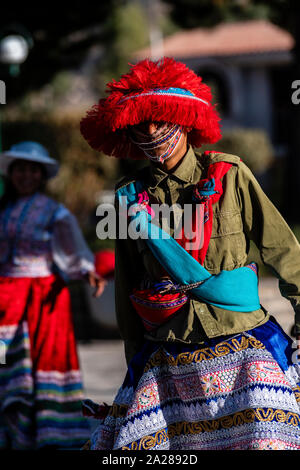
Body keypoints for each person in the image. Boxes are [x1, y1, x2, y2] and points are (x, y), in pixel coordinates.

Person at [80, 57, 300, 450]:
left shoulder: (229, 175)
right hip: (169, 356)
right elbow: (128, 284)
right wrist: (135, 361)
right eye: (140, 127)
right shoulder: (130, 198)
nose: (151, 134)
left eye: (160, 122)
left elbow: (282, 248)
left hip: (243, 345)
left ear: (183, 120)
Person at [0, 141, 106, 449]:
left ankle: (50, 434)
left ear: (41, 175)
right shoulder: (3, 210)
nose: (26, 175)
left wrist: (86, 270)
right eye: (21, 169)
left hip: (43, 297)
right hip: (7, 299)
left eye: (33, 170)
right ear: (11, 173)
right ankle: (12, 432)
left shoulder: (54, 212)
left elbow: (73, 251)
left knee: (44, 358)